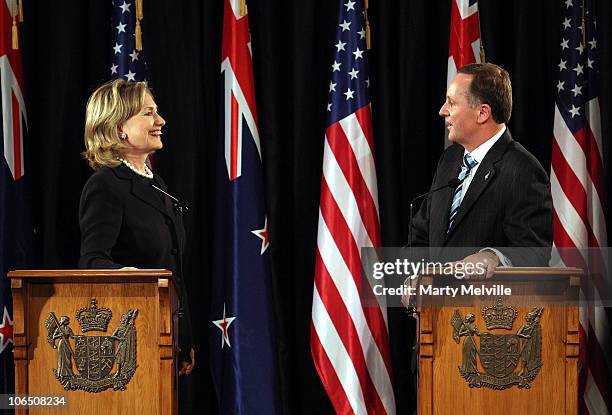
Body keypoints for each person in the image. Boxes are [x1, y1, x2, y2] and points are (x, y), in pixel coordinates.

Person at [78, 79, 195, 376]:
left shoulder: (155, 184)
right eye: (148, 113)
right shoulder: (106, 185)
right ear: (119, 128)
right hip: (129, 342)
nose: (160, 121)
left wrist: (184, 337)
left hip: (167, 338)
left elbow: (173, 268)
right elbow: (91, 261)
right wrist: (124, 275)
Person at [409, 63, 553, 280]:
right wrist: (414, 276)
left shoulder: (522, 169)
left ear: (482, 113)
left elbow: (534, 253)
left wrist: (492, 257)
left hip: (488, 309)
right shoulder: (449, 160)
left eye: (452, 102)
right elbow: (421, 235)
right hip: (438, 310)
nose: (442, 110)